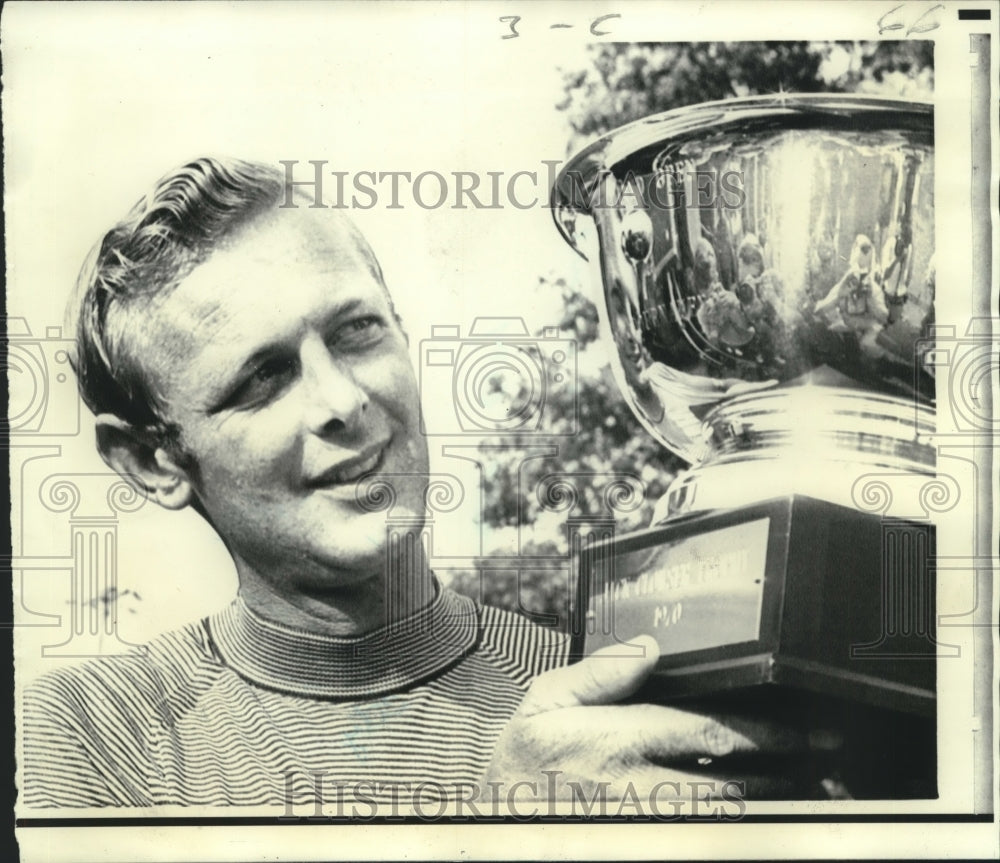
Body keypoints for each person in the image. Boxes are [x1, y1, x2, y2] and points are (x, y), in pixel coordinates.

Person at [20, 157, 818, 811]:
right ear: (153, 462)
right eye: (262, 379)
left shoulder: (604, 699)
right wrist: (496, 827)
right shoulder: (91, 735)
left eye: (357, 330)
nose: (342, 400)